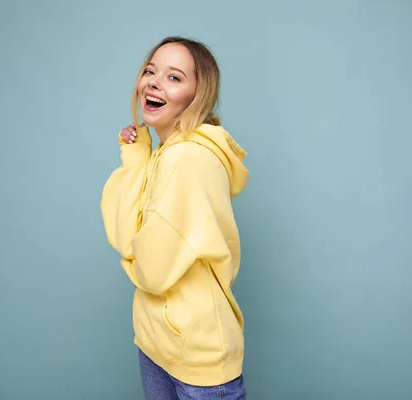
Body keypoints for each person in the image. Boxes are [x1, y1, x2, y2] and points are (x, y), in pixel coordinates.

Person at [100, 36, 249, 400]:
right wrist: (136, 158)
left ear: (199, 94)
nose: (152, 81)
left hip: (197, 357)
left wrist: (133, 258)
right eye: (150, 71)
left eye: (174, 77)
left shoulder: (188, 160)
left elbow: (152, 272)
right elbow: (125, 236)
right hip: (158, 343)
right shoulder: (166, 154)